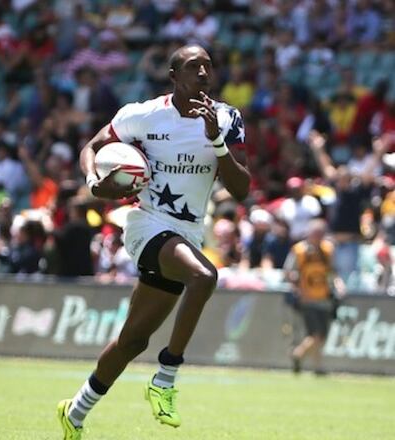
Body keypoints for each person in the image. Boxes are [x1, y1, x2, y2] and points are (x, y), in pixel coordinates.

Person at [57, 45, 249, 438]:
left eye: (208, 66)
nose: (203, 73)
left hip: (188, 233)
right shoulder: (142, 115)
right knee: (204, 277)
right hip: (147, 224)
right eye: (193, 67)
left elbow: (242, 188)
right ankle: (166, 376)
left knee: (132, 340)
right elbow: (92, 147)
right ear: (174, 76)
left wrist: (216, 142)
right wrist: (94, 183)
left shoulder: (226, 119)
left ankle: (74, 412)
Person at [285, 219, 345, 376]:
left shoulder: (328, 250)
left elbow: (333, 271)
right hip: (307, 298)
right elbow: (289, 272)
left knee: (320, 336)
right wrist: (298, 289)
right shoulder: (299, 250)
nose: (318, 237)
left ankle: (317, 366)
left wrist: (339, 285)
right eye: (315, 233)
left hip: (324, 297)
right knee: (316, 334)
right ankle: (298, 354)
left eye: (320, 234)